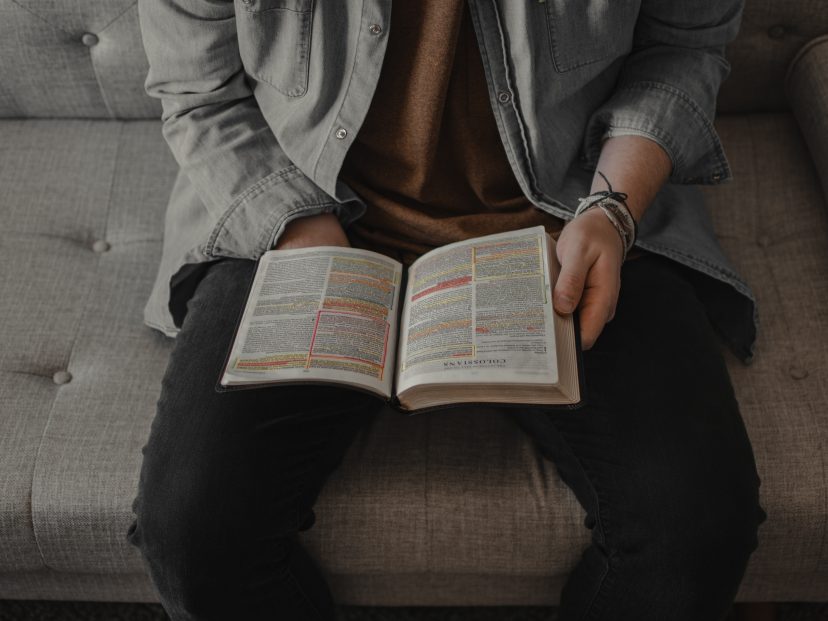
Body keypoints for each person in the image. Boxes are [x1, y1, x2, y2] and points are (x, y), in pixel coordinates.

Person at [127, 0, 769, 619]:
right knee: (193, 532)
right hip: (297, 212)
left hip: (572, 216)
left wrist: (613, 209)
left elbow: (681, 47)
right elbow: (197, 90)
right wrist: (298, 230)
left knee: (696, 528)